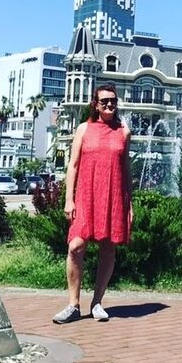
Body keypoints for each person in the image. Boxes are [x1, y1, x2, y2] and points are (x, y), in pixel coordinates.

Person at [53, 84, 132, 324]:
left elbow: (126, 170)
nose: (109, 105)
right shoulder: (84, 129)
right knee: (75, 246)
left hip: (114, 196)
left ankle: (97, 302)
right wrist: (69, 199)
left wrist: (129, 204)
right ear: (95, 104)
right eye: (104, 101)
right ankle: (73, 305)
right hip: (86, 196)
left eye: (113, 101)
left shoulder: (124, 132)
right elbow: (73, 165)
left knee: (108, 248)